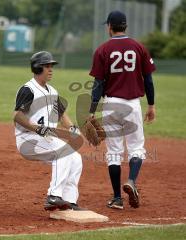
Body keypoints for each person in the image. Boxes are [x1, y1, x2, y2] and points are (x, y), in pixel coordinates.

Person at [88, 10, 156, 209]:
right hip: (133, 104)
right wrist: (151, 105)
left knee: (114, 153)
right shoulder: (139, 47)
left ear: (110, 26)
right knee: (136, 147)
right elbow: (149, 81)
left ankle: (117, 198)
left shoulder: (102, 50)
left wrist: (92, 110)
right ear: (125, 26)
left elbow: (98, 83)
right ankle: (132, 180)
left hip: (111, 105)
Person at [13, 51, 83, 211]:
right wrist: (37, 128)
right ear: (37, 68)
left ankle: (68, 201)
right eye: (47, 66)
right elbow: (17, 115)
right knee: (64, 152)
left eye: (51, 66)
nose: (51, 69)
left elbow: (61, 114)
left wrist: (72, 128)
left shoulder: (52, 91)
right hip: (28, 139)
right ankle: (53, 195)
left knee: (75, 158)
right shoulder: (28, 89)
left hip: (46, 140)